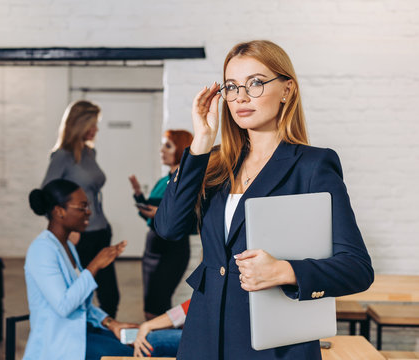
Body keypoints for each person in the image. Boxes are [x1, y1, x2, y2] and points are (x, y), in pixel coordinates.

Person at [154, 40, 374, 360]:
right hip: (203, 340)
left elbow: (357, 268)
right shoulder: (214, 164)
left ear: (287, 90)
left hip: (273, 347)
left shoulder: (312, 166)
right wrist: (201, 142)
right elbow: (168, 228)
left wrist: (285, 271)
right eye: (231, 86)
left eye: (255, 83)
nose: (241, 96)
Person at [24, 178, 135, 360]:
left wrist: (111, 323)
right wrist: (94, 266)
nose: (88, 212)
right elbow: (64, 306)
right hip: (60, 344)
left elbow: (82, 305)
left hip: (82, 333)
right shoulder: (42, 250)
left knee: (140, 344)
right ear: (59, 211)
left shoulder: (67, 246)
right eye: (82, 207)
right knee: (132, 354)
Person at [41, 100, 120, 318]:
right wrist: (67, 229)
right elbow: (47, 195)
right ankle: (82, 340)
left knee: (110, 295)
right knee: (81, 292)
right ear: (79, 124)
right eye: (92, 124)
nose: (95, 130)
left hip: (101, 230)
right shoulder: (62, 156)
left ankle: (106, 338)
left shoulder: (88, 153)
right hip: (79, 235)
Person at [128, 129, 193, 320]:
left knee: (157, 307)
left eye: (168, 146)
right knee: (151, 306)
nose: (161, 150)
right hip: (152, 249)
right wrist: (139, 195)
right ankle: (160, 343)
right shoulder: (163, 180)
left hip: (170, 251)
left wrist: (161, 214)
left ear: (181, 149)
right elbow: (150, 217)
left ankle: (164, 344)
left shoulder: (185, 182)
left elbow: (192, 221)